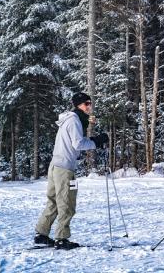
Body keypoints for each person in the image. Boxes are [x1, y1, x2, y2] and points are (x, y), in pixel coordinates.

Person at [34, 92, 109, 250]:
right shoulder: (75, 120)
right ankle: (61, 238)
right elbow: (78, 144)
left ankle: (42, 234)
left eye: (90, 103)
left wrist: (88, 122)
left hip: (56, 165)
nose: (89, 106)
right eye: (86, 104)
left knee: (54, 201)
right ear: (78, 105)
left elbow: (77, 131)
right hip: (65, 168)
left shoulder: (71, 118)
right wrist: (97, 141)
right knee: (67, 203)